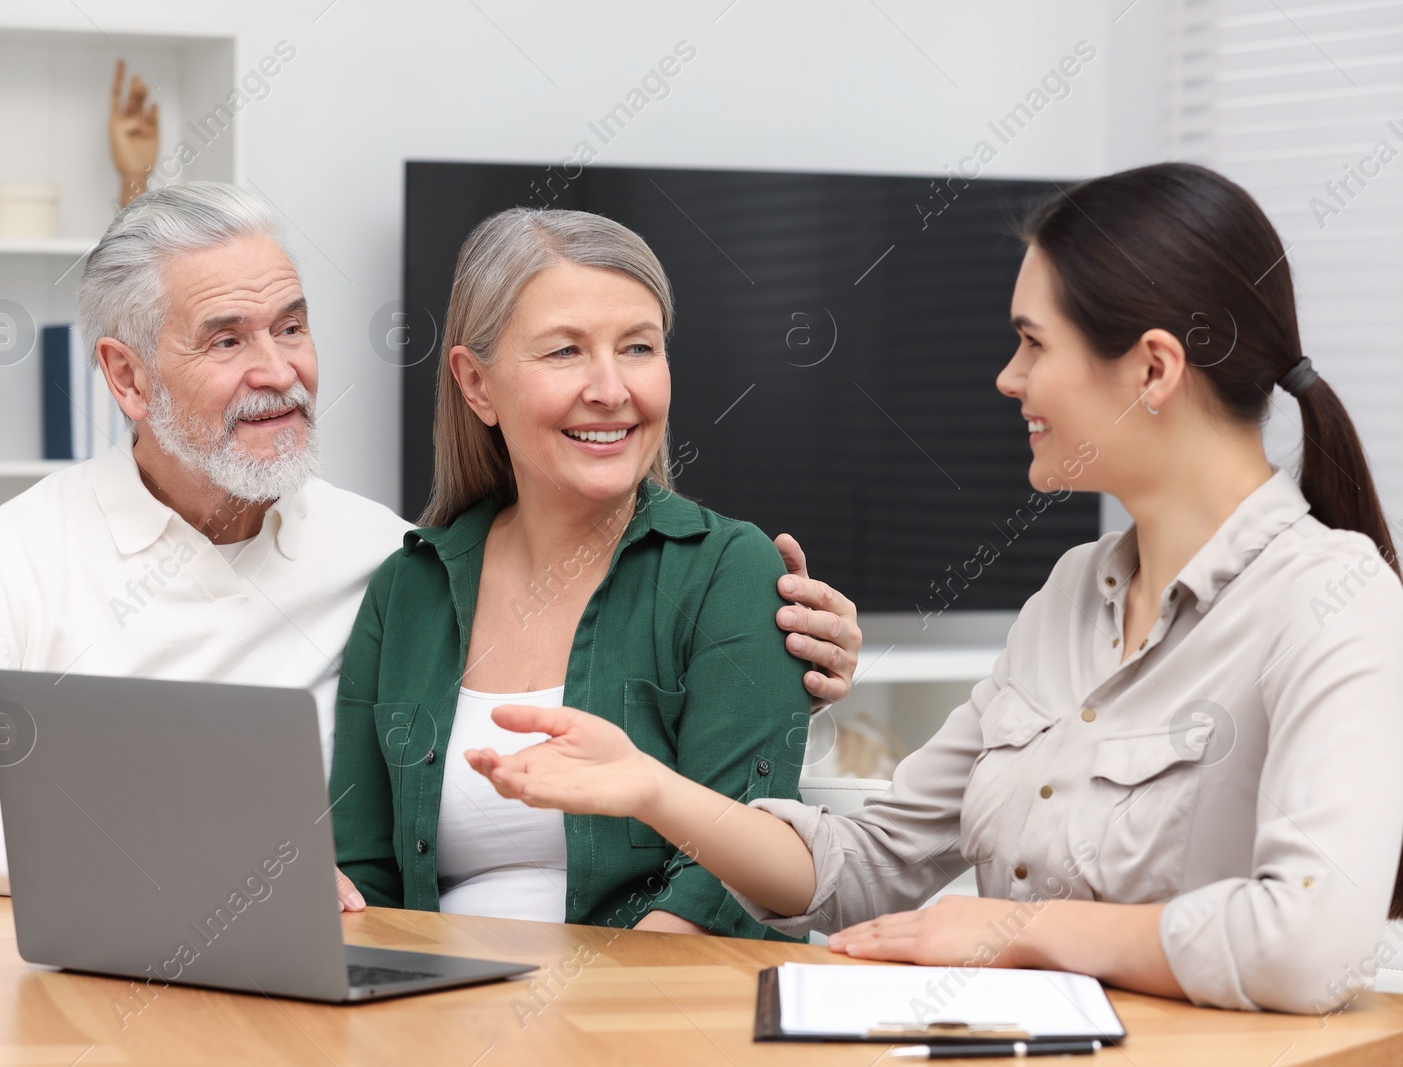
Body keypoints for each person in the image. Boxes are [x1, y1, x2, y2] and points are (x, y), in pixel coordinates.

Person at [463, 163, 1403, 1013]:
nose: (1007, 377)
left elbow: (1307, 944)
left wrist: (1018, 935)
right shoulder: (1074, 596)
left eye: (1034, 343)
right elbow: (871, 864)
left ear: (1152, 368)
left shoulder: (1333, 601)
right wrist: (651, 789)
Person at [0, 183, 862, 896]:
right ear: (127, 377)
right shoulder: (16, 554)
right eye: (227, 340)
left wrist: (803, 652)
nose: (279, 370)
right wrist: (170, 861)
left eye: (292, 325)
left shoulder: (386, 557)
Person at [330, 208, 826, 938]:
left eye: (638, 347)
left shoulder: (730, 570)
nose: (610, 388)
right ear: (476, 384)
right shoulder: (406, 589)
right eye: (565, 351)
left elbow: (726, 877)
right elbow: (365, 873)